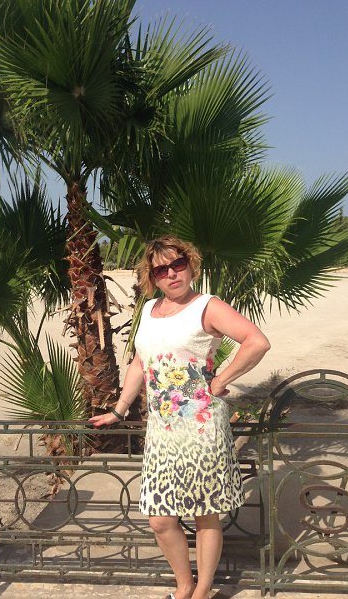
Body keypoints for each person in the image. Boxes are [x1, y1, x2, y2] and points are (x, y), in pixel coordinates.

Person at [89, 235, 270, 599]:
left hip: (201, 428)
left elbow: (257, 341)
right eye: (161, 269)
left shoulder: (207, 306)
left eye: (177, 264)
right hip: (161, 431)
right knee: (160, 519)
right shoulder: (148, 310)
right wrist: (119, 409)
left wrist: (220, 380)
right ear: (152, 276)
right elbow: (139, 363)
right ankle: (183, 584)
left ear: (190, 265)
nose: (171, 274)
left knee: (205, 513)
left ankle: (200, 591)